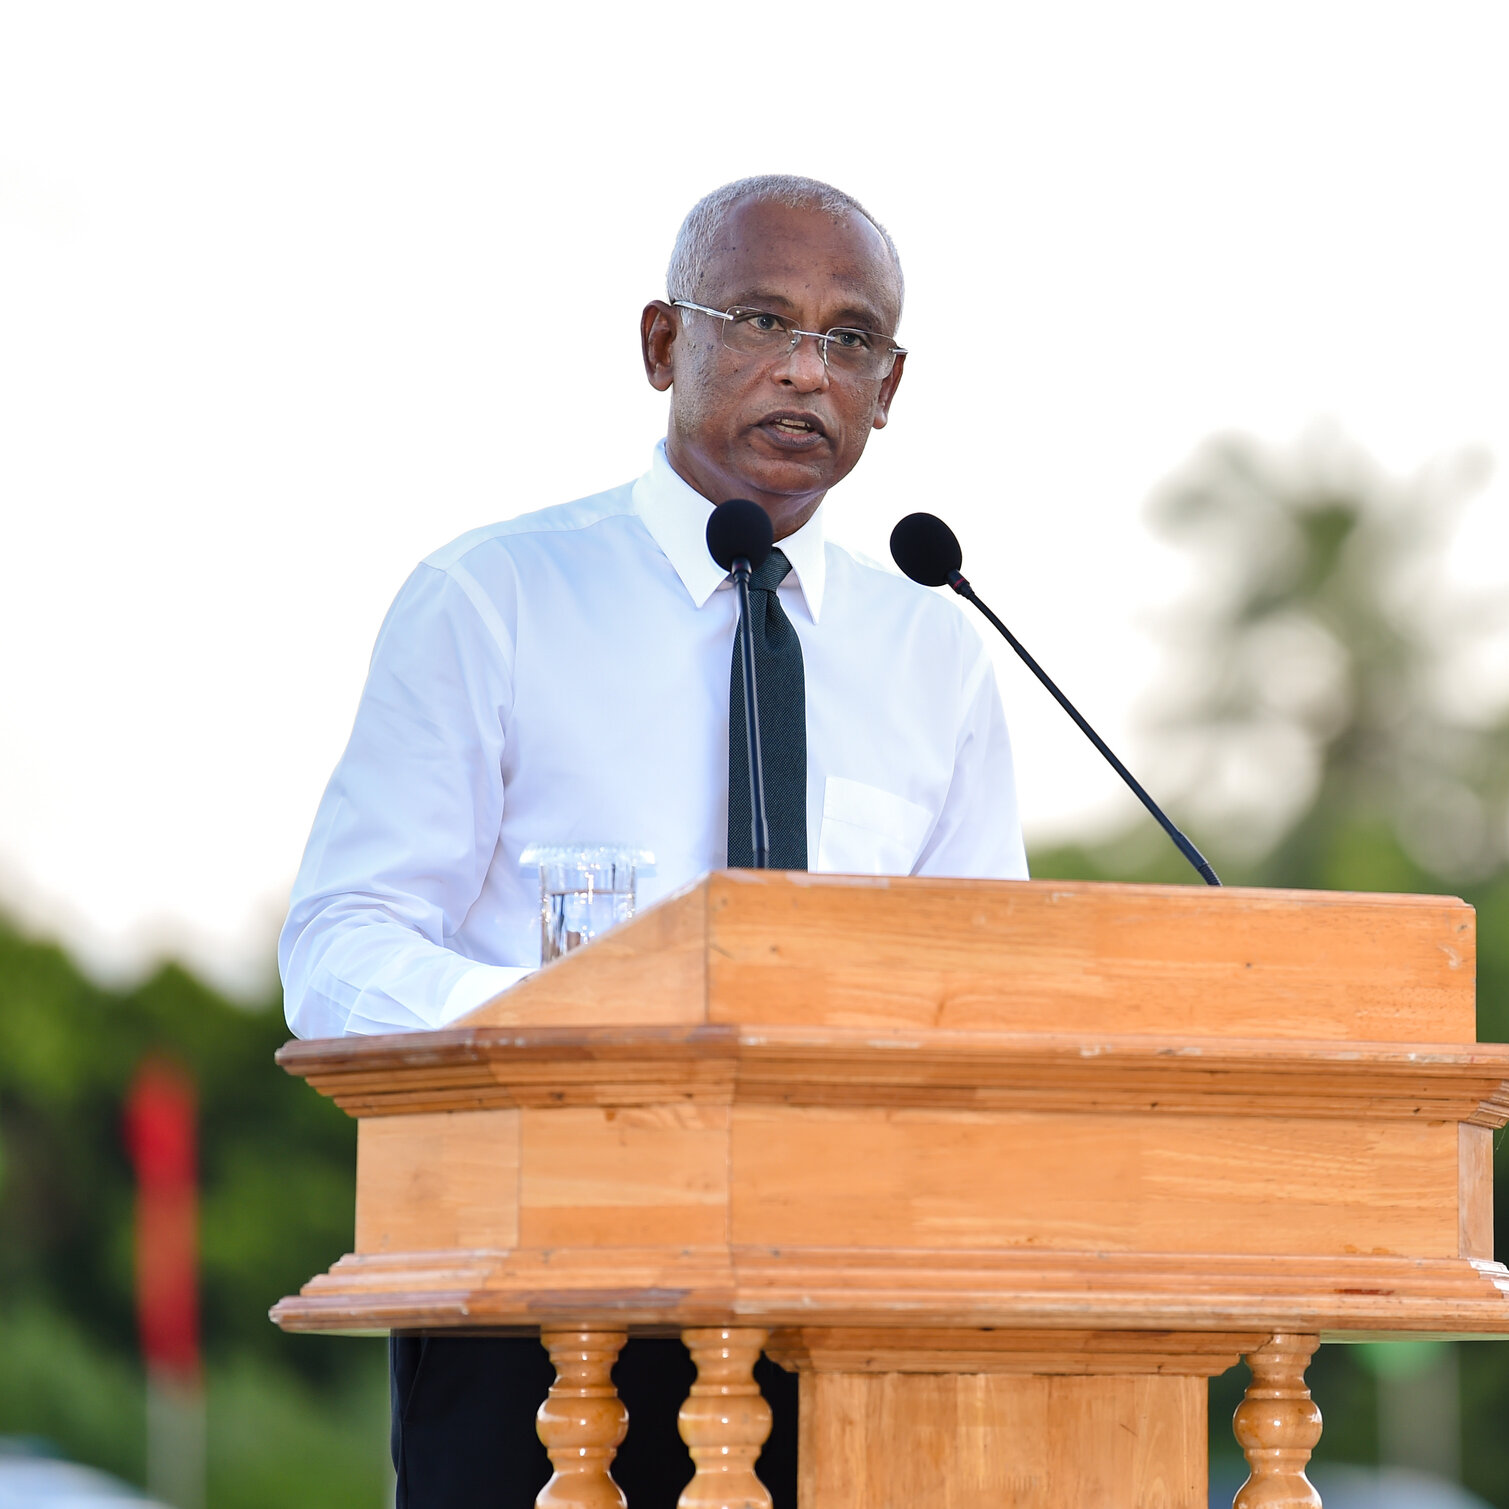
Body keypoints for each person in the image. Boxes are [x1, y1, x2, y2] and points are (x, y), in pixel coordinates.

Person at [280, 176, 1027, 1509]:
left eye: (850, 339)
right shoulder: (493, 598)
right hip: (534, 1295)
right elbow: (341, 947)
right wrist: (578, 1038)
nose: (806, 366)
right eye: (760, 318)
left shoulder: (935, 649)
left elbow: (990, 994)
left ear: (891, 384)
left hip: (849, 1316)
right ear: (660, 343)